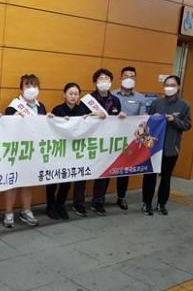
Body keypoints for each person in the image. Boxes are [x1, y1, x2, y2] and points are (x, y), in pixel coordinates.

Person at [142, 75, 191, 216]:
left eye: (173, 85)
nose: (169, 87)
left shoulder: (184, 105)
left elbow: (187, 125)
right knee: (150, 176)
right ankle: (146, 203)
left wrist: (174, 119)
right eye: (167, 84)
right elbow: (147, 121)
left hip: (171, 148)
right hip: (153, 146)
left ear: (178, 87)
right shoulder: (156, 103)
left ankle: (161, 203)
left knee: (166, 177)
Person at [3, 74, 47, 228]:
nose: (31, 89)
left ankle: (26, 211)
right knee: (13, 182)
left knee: (28, 181)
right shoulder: (13, 107)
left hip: (32, 150)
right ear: (21, 89)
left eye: (34, 86)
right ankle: (8, 212)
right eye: (28, 86)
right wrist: (14, 118)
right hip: (16, 150)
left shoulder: (41, 107)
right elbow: (5, 128)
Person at [46, 83, 90, 219]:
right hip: (58, 150)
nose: (73, 96)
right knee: (53, 180)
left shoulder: (81, 110)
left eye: (76, 94)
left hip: (72, 151)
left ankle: (60, 205)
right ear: (64, 95)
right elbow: (51, 127)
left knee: (66, 180)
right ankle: (50, 206)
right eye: (70, 93)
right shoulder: (58, 109)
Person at [89, 68, 127, 216]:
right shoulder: (89, 100)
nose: (104, 81)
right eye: (101, 79)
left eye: (107, 79)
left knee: (105, 173)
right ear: (95, 82)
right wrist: (92, 115)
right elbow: (81, 119)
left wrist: (121, 117)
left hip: (108, 143)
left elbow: (117, 122)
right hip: (92, 142)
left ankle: (98, 201)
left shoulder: (115, 100)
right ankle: (81, 202)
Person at [112, 66, 147, 210]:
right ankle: (99, 199)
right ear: (121, 78)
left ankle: (121, 197)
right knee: (104, 167)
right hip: (110, 138)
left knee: (124, 170)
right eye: (126, 76)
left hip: (129, 140)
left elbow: (142, 118)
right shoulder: (112, 95)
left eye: (132, 76)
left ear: (135, 79)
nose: (129, 78)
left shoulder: (141, 98)